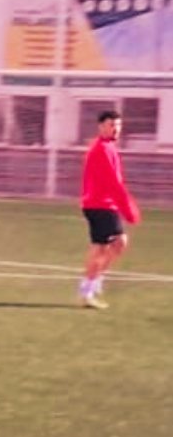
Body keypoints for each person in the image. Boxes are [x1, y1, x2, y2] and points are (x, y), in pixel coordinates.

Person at [78, 108, 140, 309]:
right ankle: (88, 288)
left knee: (116, 243)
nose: (116, 129)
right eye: (111, 125)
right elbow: (114, 183)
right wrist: (129, 210)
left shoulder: (107, 147)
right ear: (101, 126)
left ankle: (93, 281)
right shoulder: (102, 149)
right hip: (99, 205)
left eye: (118, 125)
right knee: (103, 247)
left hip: (103, 204)